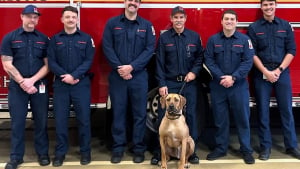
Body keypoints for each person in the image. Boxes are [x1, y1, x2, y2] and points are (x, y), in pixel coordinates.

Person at [102, 0, 156, 164]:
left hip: (138, 76)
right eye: (130, 0)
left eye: (136, 1)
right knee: (118, 113)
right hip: (118, 76)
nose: (133, 3)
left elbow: (149, 49)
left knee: (139, 114)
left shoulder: (146, 26)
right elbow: (107, 46)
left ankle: (138, 148)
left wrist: (131, 67)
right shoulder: (112, 23)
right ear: (125, 2)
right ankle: (118, 148)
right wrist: (120, 68)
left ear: (139, 4)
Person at [247, 0, 300, 160]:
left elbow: (292, 50)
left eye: (271, 4)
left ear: (275, 6)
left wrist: (278, 70)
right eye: (265, 5)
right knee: (263, 112)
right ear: (261, 7)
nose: (268, 7)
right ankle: (265, 148)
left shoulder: (285, 25)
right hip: (261, 73)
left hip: (281, 72)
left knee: (286, 110)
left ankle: (291, 146)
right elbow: (252, 53)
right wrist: (265, 71)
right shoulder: (254, 27)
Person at [151, 6, 203, 165]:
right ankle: (159, 153)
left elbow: (200, 57)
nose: (178, 20)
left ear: (185, 19)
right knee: (163, 117)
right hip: (170, 83)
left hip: (189, 82)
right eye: (176, 17)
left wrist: (194, 72)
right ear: (171, 19)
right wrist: (161, 83)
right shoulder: (164, 38)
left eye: (181, 17)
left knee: (191, 116)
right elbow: (159, 63)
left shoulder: (194, 37)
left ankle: (190, 153)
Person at [0, 4, 50, 169]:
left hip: (39, 86)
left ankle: (43, 154)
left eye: (35, 17)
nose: (32, 19)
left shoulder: (44, 39)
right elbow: (7, 64)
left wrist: (32, 81)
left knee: (41, 121)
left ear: (37, 20)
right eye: (29, 16)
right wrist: (23, 82)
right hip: (17, 88)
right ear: (22, 17)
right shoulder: (10, 37)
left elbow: (48, 66)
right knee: (17, 123)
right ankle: (16, 157)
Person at [204, 9, 255, 164]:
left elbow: (248, 61)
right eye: (226, 19)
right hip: (219, 85)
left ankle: (246, 150)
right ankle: (221, 148)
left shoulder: (245, 40)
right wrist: (222, 77)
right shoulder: (213, 40)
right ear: (221, 21)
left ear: (237, 22)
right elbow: (209, 60)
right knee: (220, 119)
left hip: (238, 86)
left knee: (242, 119)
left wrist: (233, 77)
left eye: (232, 19)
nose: (229, 22)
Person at [47, 6, 95, 167]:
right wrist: (64, 76)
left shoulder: (86, 39)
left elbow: (89, 61)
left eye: (73, 17)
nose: (70, 20)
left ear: (77, 19)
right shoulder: (54, 40)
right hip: (61, 85)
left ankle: (85, 153)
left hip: (81, 85)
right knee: (60, 121)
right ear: (62, 19)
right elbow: (51, 62)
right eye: (67, 17)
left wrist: (74, 76)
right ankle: (60, 154)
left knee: (84, 121)